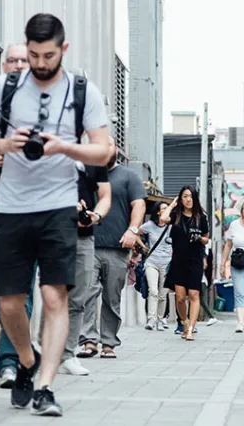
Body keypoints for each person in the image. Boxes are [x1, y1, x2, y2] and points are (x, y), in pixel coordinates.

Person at [0, 14, 111, 416]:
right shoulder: (4, 88)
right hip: (11, 206)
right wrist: (6, 145)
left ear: (64, 49)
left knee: (53, 295)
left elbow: (105, 150)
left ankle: (44, 387)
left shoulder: (81, 91)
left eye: (48, 55)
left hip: (59, 206)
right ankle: (27, 361)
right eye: (34, 55)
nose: (40, 64)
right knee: (9, 302)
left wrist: (65, 148)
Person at [78, 138, 147, 359]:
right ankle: (89, 341)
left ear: (115, 149)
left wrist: (133, 230)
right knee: (87, 293)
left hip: (117, 247)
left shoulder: (129, 176)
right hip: (88, 244)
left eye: (107, 146)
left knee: (111, 297)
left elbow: (139, 204)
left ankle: (108, 342)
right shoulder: (85, 175)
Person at [0, 43, 32, 389]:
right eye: (12, 60)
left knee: (18, 289)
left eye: (23, 60)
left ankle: (9, 361)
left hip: (26, 210)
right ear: (4, 65)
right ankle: (22, 343)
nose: (18, 65)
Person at [58, 159, 111, 376]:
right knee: (53, 295)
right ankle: (46, 352)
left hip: (84, 237)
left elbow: (105, 196)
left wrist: (95, 215)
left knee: (79, 297)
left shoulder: (93, 159)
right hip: (52, 233)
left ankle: (68, 355)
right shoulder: (49, 151)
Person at [161, 186, 210, 341]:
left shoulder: (201, 217)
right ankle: (184, 321)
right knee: (180, 298)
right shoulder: (176, 215)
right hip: (178, 260)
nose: (188, 199)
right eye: (185, 196)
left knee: (194, 294)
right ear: (181, 199)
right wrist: (172, 204)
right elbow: (163, 219)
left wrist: (199, 238)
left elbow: (206, 238)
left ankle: (191, 329)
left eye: (191, 196)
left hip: (195, 259)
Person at [220, 200, 244, 332]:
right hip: (238, 263)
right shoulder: (234, 225)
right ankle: (240, 322)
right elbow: (228, 244)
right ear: (241, 211)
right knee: (240, 292)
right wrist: (223, 264)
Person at [139, 201, 172, 331]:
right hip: (151, 261)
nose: (166, 210)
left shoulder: (171, 227)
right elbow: (136, 232)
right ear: (158, 212)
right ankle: (151, 319)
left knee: (163, 294)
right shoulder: (149, 225)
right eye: (164, 208)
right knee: (153, 291)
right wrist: (142, 246)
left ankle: (159, 319)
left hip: (167, 263)